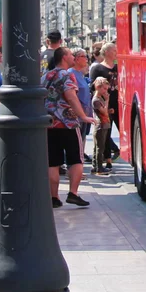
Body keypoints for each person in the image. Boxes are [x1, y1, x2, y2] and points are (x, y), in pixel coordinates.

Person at [44, 47, 92, 208]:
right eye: (71, 54)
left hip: (50, 124)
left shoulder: (46, 75)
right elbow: (71, 96)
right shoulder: (67, 75)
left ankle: (54, 197)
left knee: (53, 162)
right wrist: (83, 116)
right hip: (68, 123)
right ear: (64, 57)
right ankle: (73, 193)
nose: (73, 56)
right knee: (76, 159)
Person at [88, 42, 119, 163]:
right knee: (106, 131)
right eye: (114, 50)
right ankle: (107, 159)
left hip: (119, 102)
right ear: (106, 52)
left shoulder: (118, 66)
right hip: (104, 104)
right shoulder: (98, 68)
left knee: (123, 129)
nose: (116, 53)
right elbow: (91, 86)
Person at [69, 48, 94, 164]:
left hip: (84, 114)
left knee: (82, 140)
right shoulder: (70, 73)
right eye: (85, 57)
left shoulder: (80, 74)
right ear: (77, 58)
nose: (87, 59)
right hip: (77, 115)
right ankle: (75, 168)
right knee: (75, 143)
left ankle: (79, 166)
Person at [91, 77, 113, 176]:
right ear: (98, 87)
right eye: (104, 89)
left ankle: (96, 166)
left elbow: (104, 112)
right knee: (100, 148)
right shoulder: (96, 100)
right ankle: (98, 168)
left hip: (103, 124)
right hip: (101, 125)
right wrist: (107, 100)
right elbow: (103, 111)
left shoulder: (99, 98)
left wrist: (108, 111)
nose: (105, 91)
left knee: (99, 147)